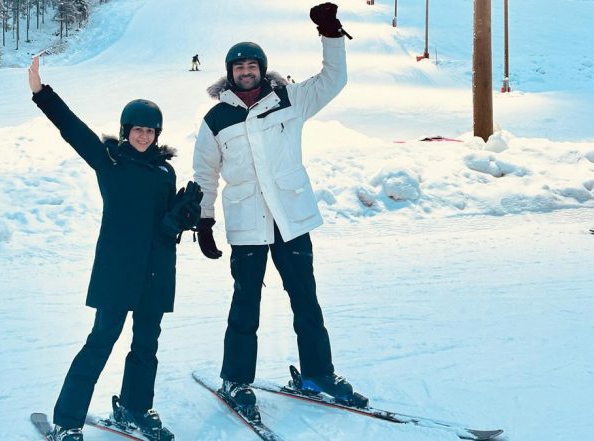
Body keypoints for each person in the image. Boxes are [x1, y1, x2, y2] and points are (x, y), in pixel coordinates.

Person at [192, 2, 368, 418]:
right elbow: (205, 172)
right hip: (247, 225)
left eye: (252, 65)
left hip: (290, 220)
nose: (246, 72)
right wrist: (204, 219)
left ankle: (318, 375)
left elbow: (333, 78)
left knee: (306, 300)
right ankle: (236, 380)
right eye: (239, 68)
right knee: (245, 305)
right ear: (229, 74)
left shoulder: (290, 99)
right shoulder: (216, 118)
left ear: (262, 68)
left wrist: (330, 33)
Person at [28, 57, 201, 441]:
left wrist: (180, 219)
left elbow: (163, 224)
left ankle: (135, 408)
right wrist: (42, 93)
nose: (144, 136)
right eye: (137, 129)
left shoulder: (165, 172)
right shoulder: (110, 162)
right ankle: (67, 421)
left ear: (158, 134)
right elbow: (73, 129)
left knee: (146, 346)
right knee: (101, 342)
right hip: (117, 270)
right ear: (126, 131)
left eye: (150, 130)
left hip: (156, 271)